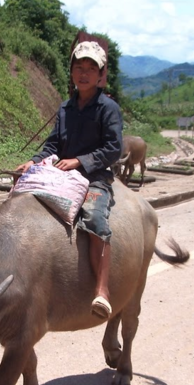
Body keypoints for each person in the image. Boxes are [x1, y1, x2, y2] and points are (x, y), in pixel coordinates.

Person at [16, 41, 122, 319]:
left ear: (100, 75)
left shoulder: (108, 108)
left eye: (90, 68)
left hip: (94, 178)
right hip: (60, 175)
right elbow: (52, 145)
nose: (84, 73)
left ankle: (102, 290)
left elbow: (113, 148)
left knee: (95, 219)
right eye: (79, 67)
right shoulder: (65, 108)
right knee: (21, 200)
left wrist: (80, 161)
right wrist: (35, 161)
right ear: (72, 71)